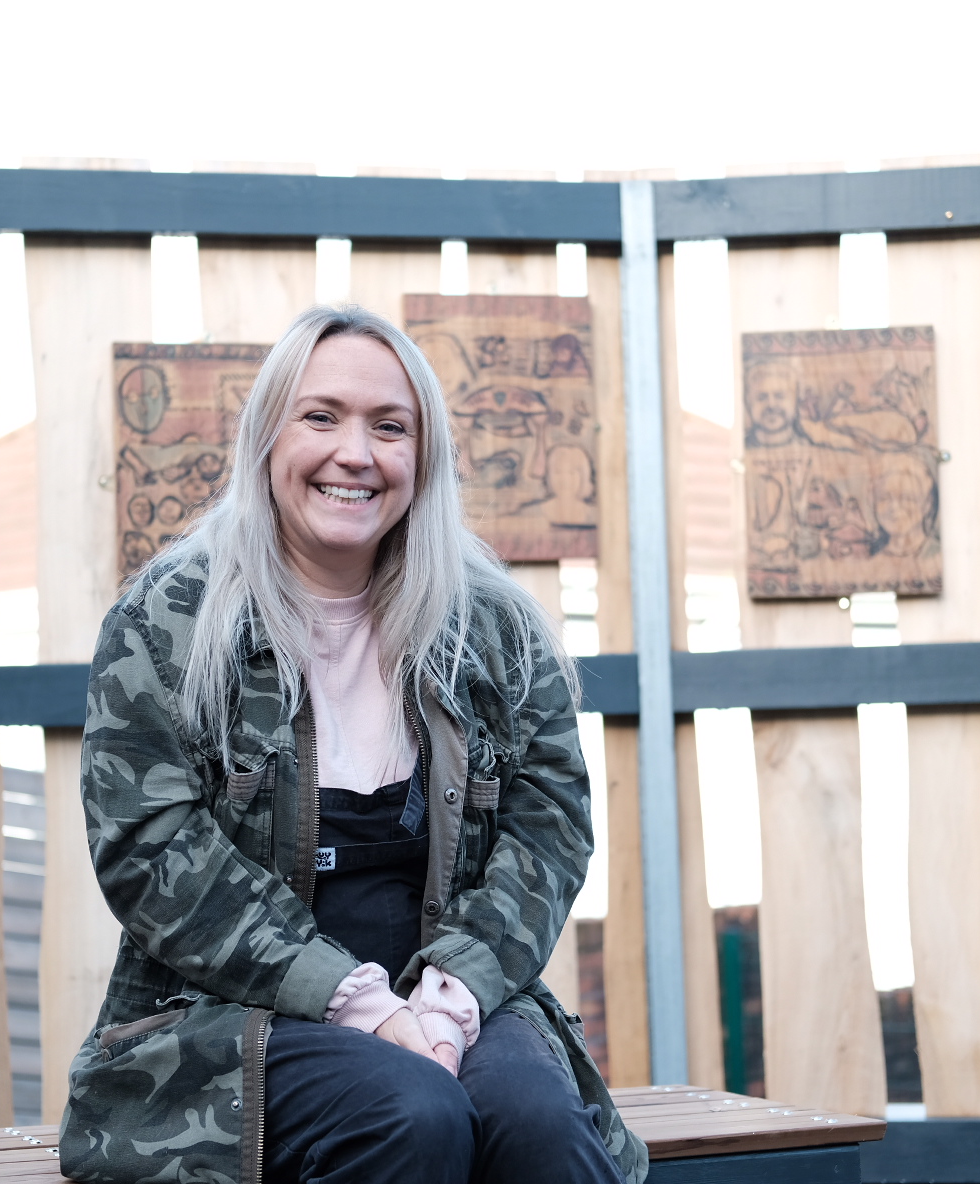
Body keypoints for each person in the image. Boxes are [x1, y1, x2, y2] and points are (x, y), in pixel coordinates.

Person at [59, 305, 645, 1184]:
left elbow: (549, 830)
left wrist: (443, 1008)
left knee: (537, 1128)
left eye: (389, 427)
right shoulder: (167, 623)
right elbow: (150, 851)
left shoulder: (496, 631)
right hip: (234, 1018)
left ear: (424, 456)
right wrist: (361, 1007)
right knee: (410, 1115)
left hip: (451, 994)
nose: (356, 454)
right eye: (321, 416)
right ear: (267, 437)